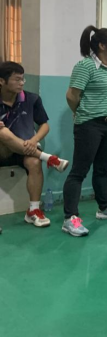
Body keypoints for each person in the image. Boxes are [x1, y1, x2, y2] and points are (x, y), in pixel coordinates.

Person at [62, 26, 107, 238]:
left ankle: (104, 207)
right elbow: (72, 96)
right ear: (101, 45)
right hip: (90, 125)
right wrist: (80, 113)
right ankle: (70, 218)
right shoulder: (85, 66)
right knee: (79, 171)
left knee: (102, 169)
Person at [1, 62, 69, 231]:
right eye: (17, 79)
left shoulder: (31, 99)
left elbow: (44, 125)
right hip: (1, 150)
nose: (21, 83)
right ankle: (48, 158)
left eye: (22, 79)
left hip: (25, 149)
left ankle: (33, 210)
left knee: (34, 162)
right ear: (2, 81)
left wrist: (34, 140)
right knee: (2, 132)